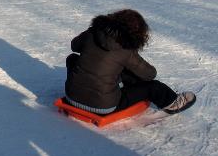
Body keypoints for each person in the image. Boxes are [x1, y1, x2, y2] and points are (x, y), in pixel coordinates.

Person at [65, 9, 196, 115]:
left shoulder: (93, 32)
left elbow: (74, 46)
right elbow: (150, 74)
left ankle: (82, 89)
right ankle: (173, 102)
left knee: (73, 59)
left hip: (71, 96)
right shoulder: (126, 48)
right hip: (103, 106)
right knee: (152, 86)